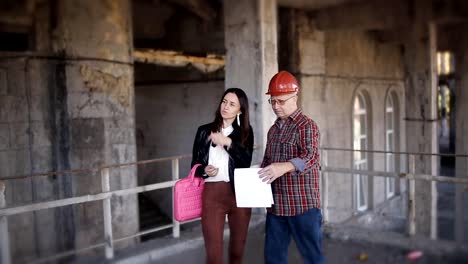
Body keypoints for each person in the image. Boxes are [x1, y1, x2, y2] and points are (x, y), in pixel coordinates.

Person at [258, 71, 324, 264]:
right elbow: (267, 161)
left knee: (313, 257)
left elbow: (311, 156)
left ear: (295, 97)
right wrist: (254, 178)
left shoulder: (306, 126)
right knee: (273, 259)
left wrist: (284, 167)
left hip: (302, 207)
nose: (276, 106)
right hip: (277, 207)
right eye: (273, 101)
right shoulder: (273, 130)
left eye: (281, 101)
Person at [191, 88, 254, 264]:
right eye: (224, 101)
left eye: (232, 104)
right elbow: (194, 166)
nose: (226, 106)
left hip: (239, 194)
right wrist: (204, 170)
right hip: (212, 194)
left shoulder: (246, 133)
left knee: (236, 252)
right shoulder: (203, 131)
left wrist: (227, 142)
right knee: (213, 255)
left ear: (240, 110)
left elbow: (245, 161)